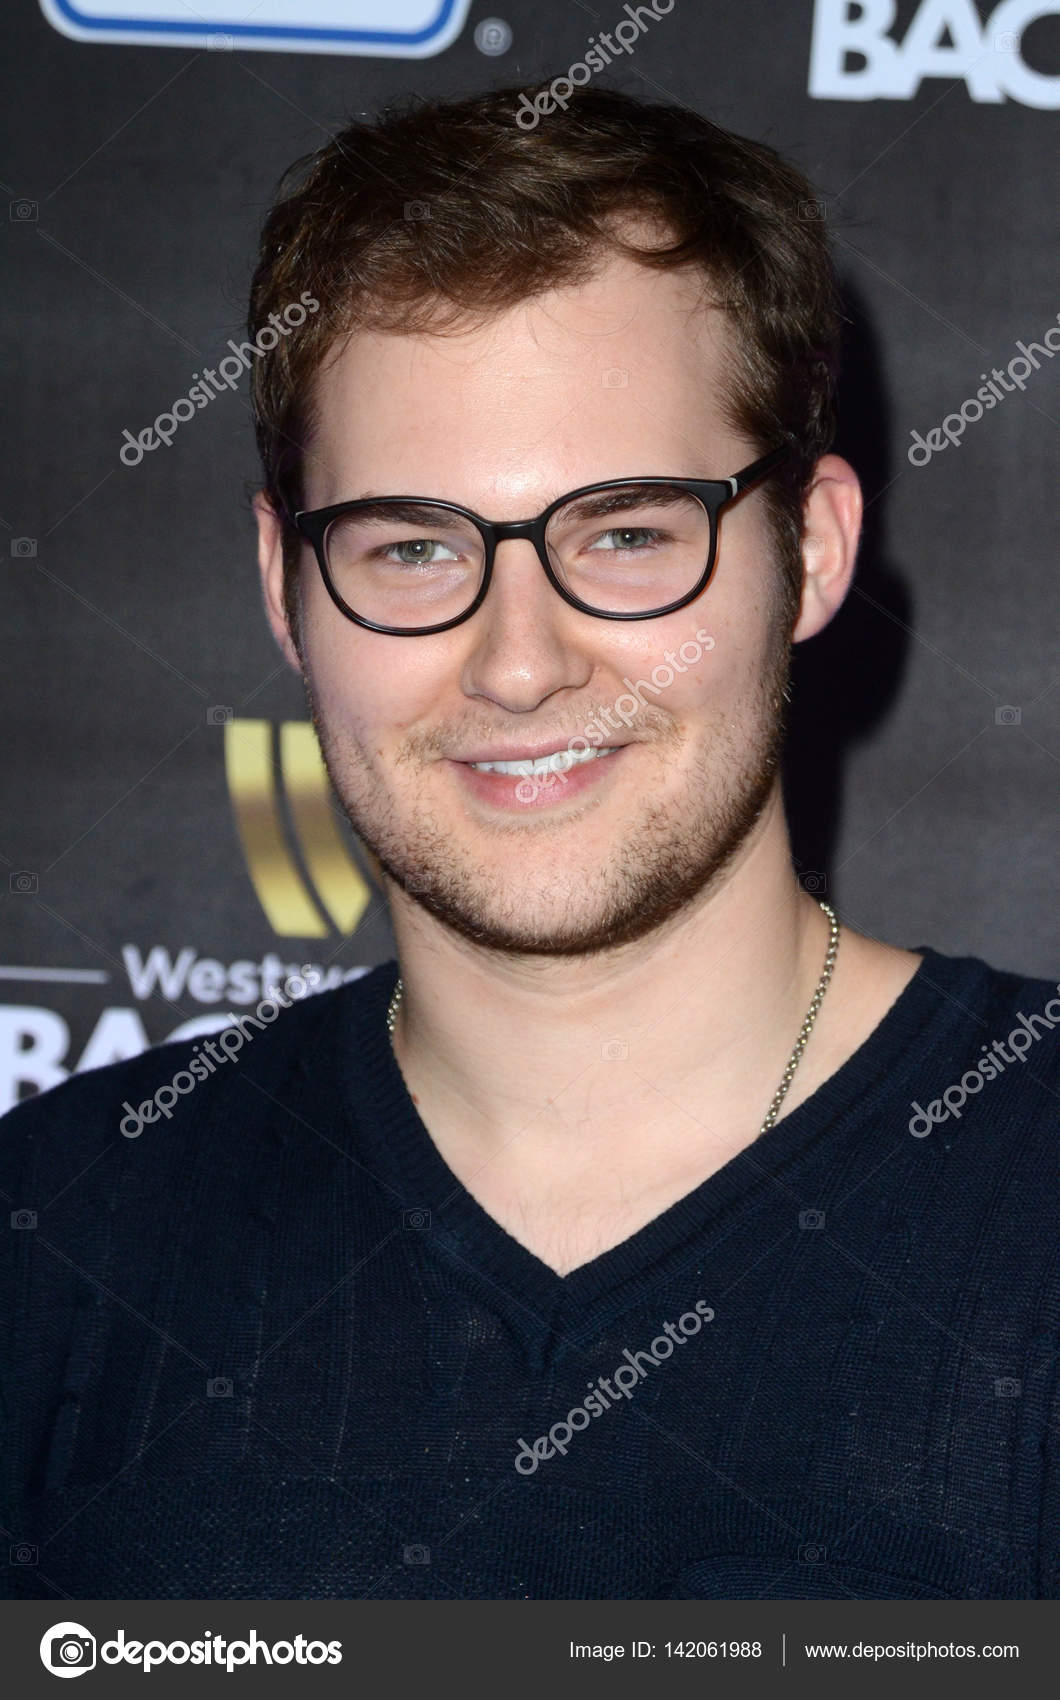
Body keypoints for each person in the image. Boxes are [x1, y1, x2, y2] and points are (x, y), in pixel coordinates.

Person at [2, 82, 1056, 1603]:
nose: (516, 661)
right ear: (282, 585)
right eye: (414, 547)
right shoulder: (58, 1244)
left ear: (812, 553)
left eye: (626, 531)